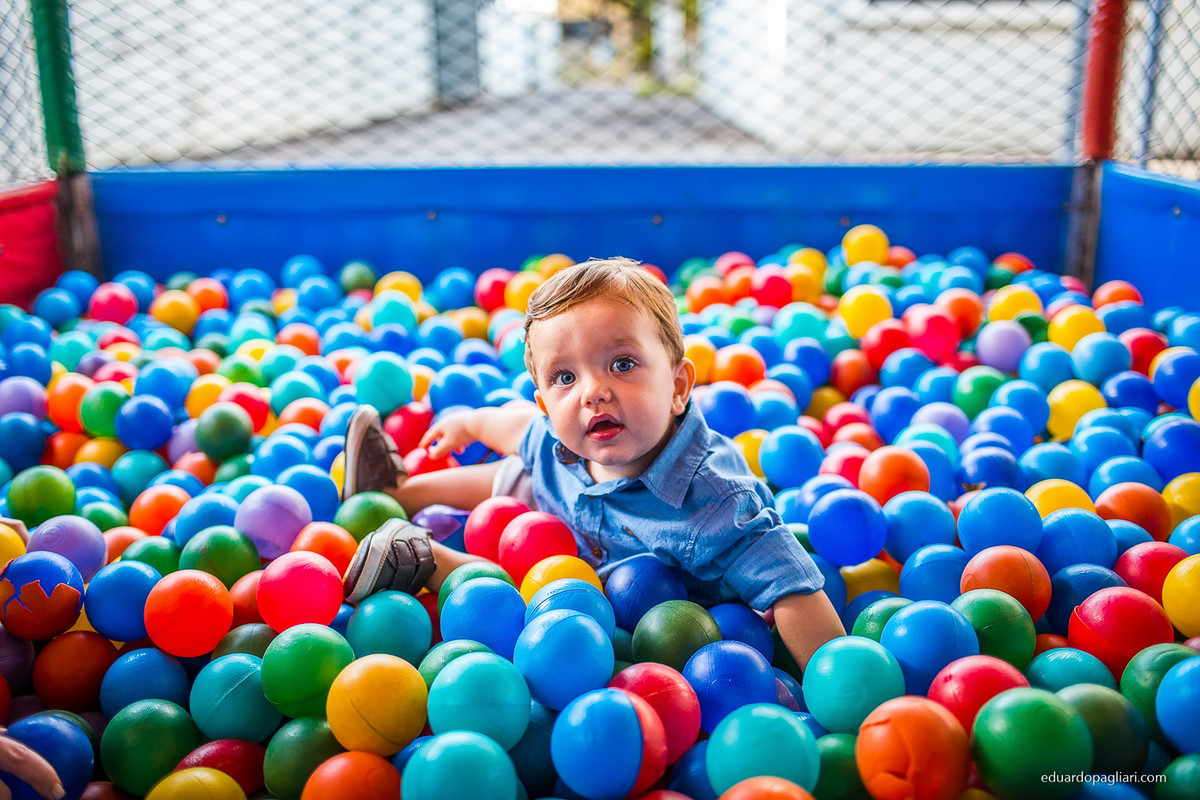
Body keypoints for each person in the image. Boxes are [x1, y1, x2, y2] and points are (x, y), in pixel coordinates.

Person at [341, 257, 845, 669]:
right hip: (568, 505)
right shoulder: (564, 437)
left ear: (678, 386)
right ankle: (394, 492)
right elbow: (518, 428)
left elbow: (792, 587)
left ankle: (420, 559)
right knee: (520, 473)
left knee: (550, 593)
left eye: (622, 365)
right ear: (545, 403)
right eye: (564, 378)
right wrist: (471, 423)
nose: (593, 392)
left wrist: (837, 684)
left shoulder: (716, 503)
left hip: (617, 613)